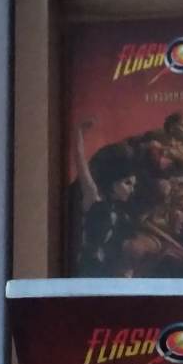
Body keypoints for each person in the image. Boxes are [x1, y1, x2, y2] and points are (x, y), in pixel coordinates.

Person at [73, 118, 137, 276]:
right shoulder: (93, 198)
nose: (132, 189)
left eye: (133, 185)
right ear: (113, 183)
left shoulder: (121, 214)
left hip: (106, 269)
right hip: (88, 268)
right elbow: (80, 161)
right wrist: (79, 133)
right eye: (127, 183)